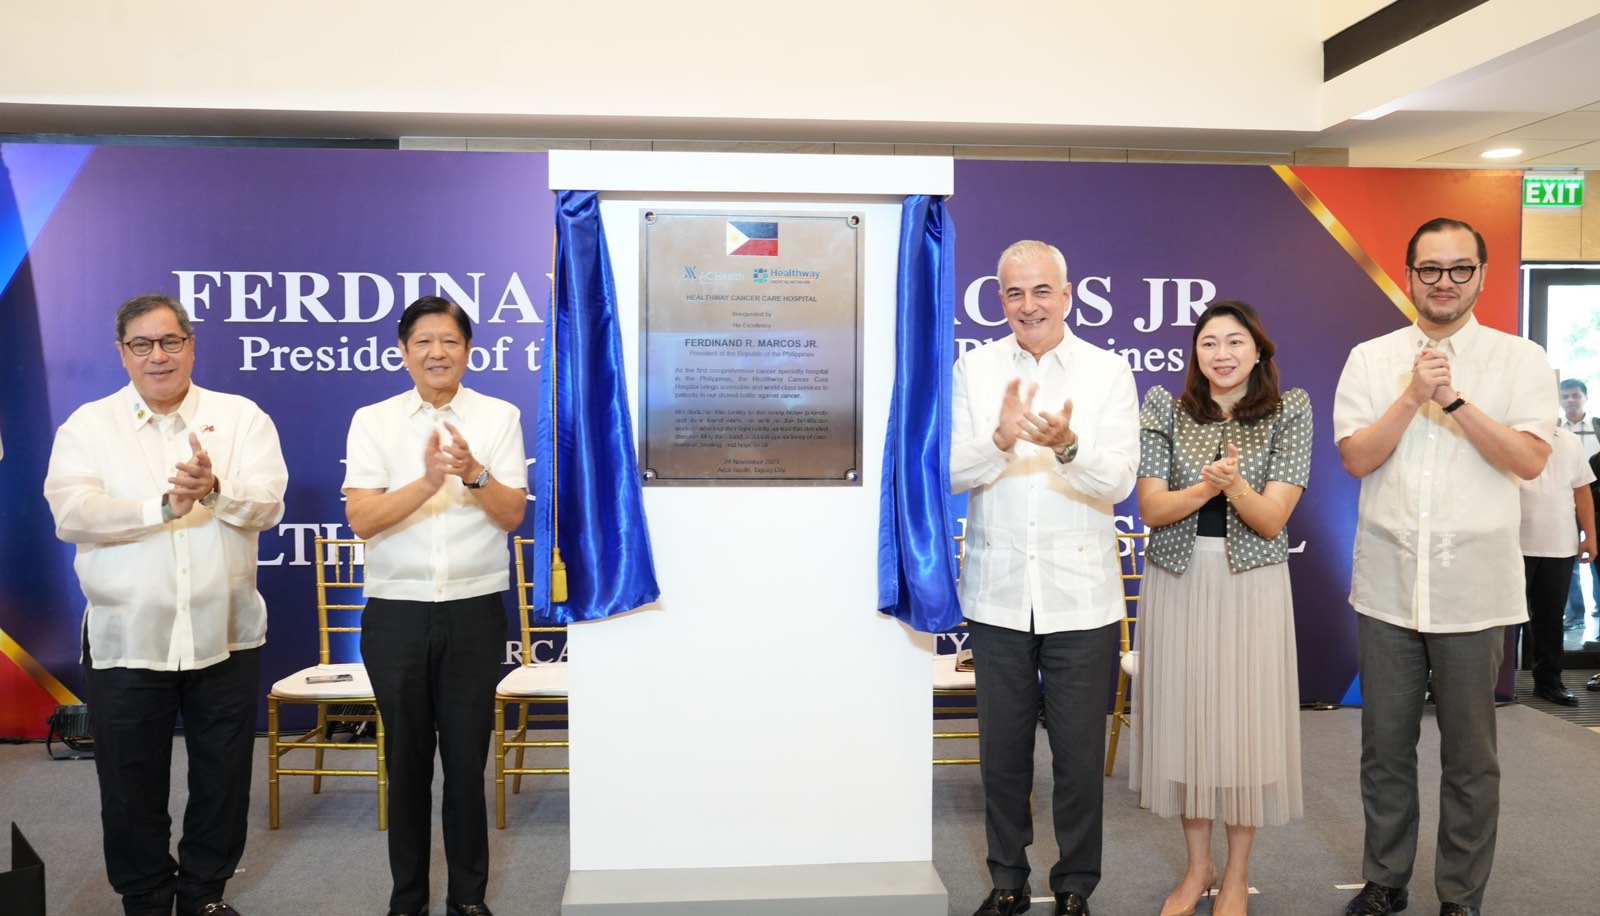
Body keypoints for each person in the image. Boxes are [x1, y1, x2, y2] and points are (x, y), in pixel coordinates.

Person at [1333, 218, 1554, 916]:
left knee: (1469, 758)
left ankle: (1460, 895)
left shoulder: (1521, 359)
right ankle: (1386, 880)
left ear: (1482, 276)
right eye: (1430, 269)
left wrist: (1453, 400)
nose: (1444, 282)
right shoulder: (1371, 357)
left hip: (1474, 590)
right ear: (1409, 275)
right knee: (1384, 751)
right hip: (1389, 587)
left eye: (1460, 269)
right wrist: (1411, 395)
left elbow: (1528, 460)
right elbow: (1357, 458)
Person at [45, 294, 288, 916]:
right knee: (130, 785)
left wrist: (215, 489)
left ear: (192, 345)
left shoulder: (240, 418)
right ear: (122, 353)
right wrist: (160, 507)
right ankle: (147, 898)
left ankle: (205, 894)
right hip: (130, 636)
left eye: (170, 341)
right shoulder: (88, 426)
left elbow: (268, 504)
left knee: (224, 778)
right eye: (142, 345)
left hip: (226, 633)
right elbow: (72, 513)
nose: (159, 356)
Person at [950, 240, 1139, 916]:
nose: (1027, 305)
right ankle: (1007, 880)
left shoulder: (1107, 372)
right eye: (1012, 293)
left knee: (1080, 760)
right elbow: (947, 472)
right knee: (1001, 757)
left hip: (1080, 597)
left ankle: (1074, 887)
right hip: (998, 593)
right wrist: (999, 440)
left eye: (1040, 291)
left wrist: (1068, 446)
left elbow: (1116, 480)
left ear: (1067, 294)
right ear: (999, 299)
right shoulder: (972, 370)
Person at [343, 296, 528, 916]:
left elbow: (511, 513)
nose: (436, 353)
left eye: (449, 341)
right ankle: (408, 901)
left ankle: (468, 900)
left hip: (474, 611)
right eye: (422, 342)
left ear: (468, 350)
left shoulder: (498, 416)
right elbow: (362, 519)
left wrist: (472, 472)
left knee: (467, 765)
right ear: (403, 352)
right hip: (396, 613)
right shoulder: (373, 420)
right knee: (407, 764)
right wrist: (425, 484)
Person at [1132, 301, 1309, 916]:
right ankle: (1196, 867)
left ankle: (1236, 875)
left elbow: (1270, 519)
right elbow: (1152, 511)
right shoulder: (1167, 408)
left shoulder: (1290, 410)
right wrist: (1206, 487)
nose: (1223, 353)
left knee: (1243, 729)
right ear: (1195, 353)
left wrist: (1233, 487)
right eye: (1209, 342)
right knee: (1187, 723)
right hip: (1178, 580)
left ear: (1258, 351)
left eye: (1236, 341)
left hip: (1251, 585)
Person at [1517, 426, 1596, 705]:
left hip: (1560, 544)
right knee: (1504, 621)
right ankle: (1495, 684)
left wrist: (1589, 535)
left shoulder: (1570, 440)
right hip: (1511, 544)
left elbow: (1582, 489)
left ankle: (1548, 682)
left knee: (1550, 620)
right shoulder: (1507, 434)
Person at [1558, 379, 1600, 628]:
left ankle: (1599, 608)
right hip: (1564, 501)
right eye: (1565, 397)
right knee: (1568, 559)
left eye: (1575, 395)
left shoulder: (1598, 426)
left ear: (1585, 397)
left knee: (1597, 558)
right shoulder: (1552, 429)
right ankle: (1574, 615)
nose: (1570, 400)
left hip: (1595, 502)